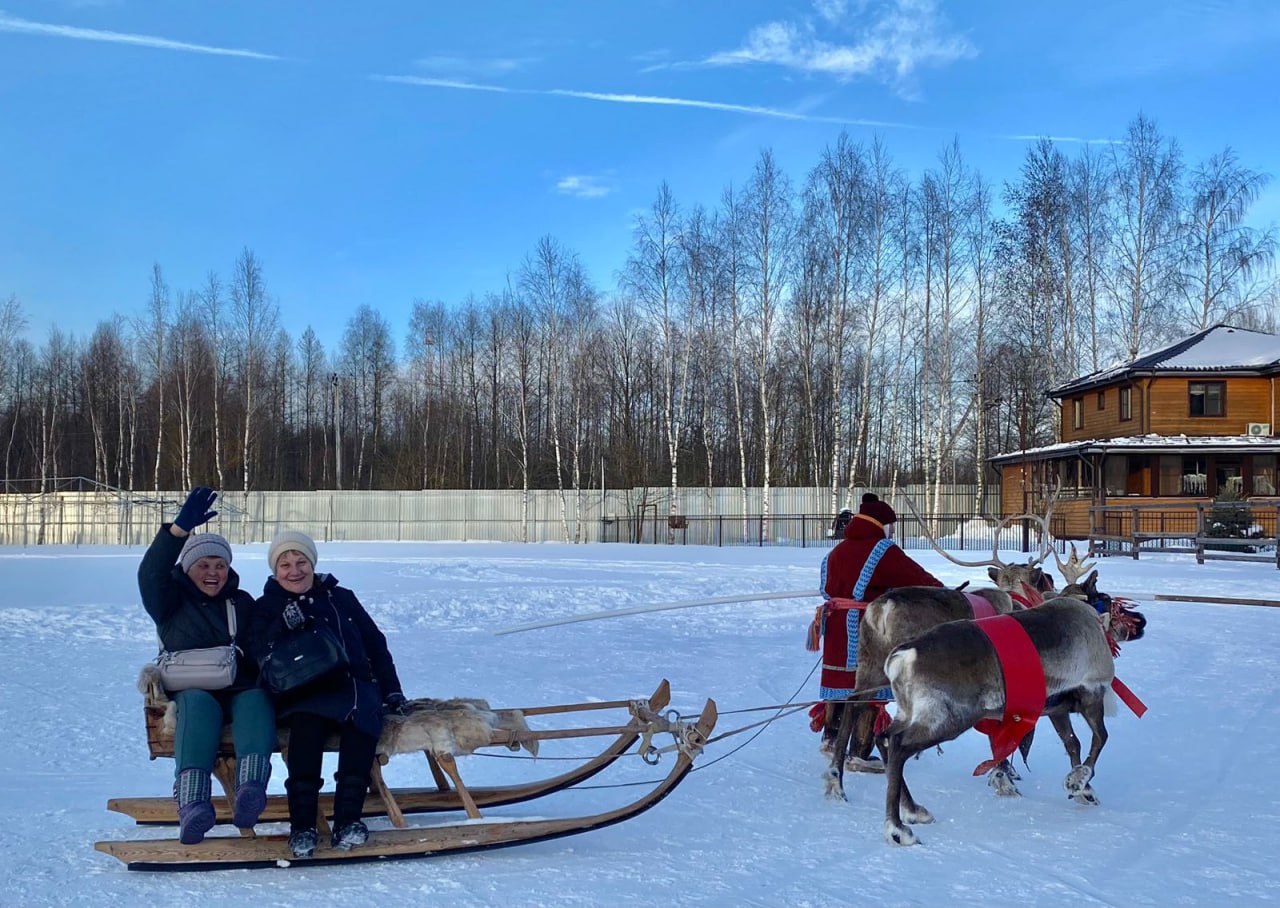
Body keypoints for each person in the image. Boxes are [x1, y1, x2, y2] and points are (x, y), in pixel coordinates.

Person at [250, 529, 407, 859]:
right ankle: (302, 827)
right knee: (306, 733)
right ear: (274, 571)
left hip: (353, 687)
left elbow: (375, 644)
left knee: (361, 729)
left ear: (312, 562)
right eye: (285, 564)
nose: (294, 571)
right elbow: (255, 651)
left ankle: (348, 821)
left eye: (301, 561)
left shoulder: (341, 598)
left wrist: (392, 691)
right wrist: (282, 626)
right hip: (303, 692)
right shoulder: (267, 605)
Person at [137, 486, 275, 845]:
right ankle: (193, 803)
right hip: (190, 688)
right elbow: (150, 574)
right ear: (188, 567)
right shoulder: (169, 601)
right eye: (204, 565)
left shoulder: (241, 602)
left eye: (220, 565)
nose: (212, 572)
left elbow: (260, 645)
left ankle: (250, 791)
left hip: (237, 686)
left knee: (256, 699)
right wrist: (178, 532)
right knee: (197, 706)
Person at [820, 493, 943, 602]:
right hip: (867, 623)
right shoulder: (882, 550)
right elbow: (915, 578)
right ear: (879, 525)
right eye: (890, 525)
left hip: (830, 624)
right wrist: (943, 592)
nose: (893, 531)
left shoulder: (835, 551)